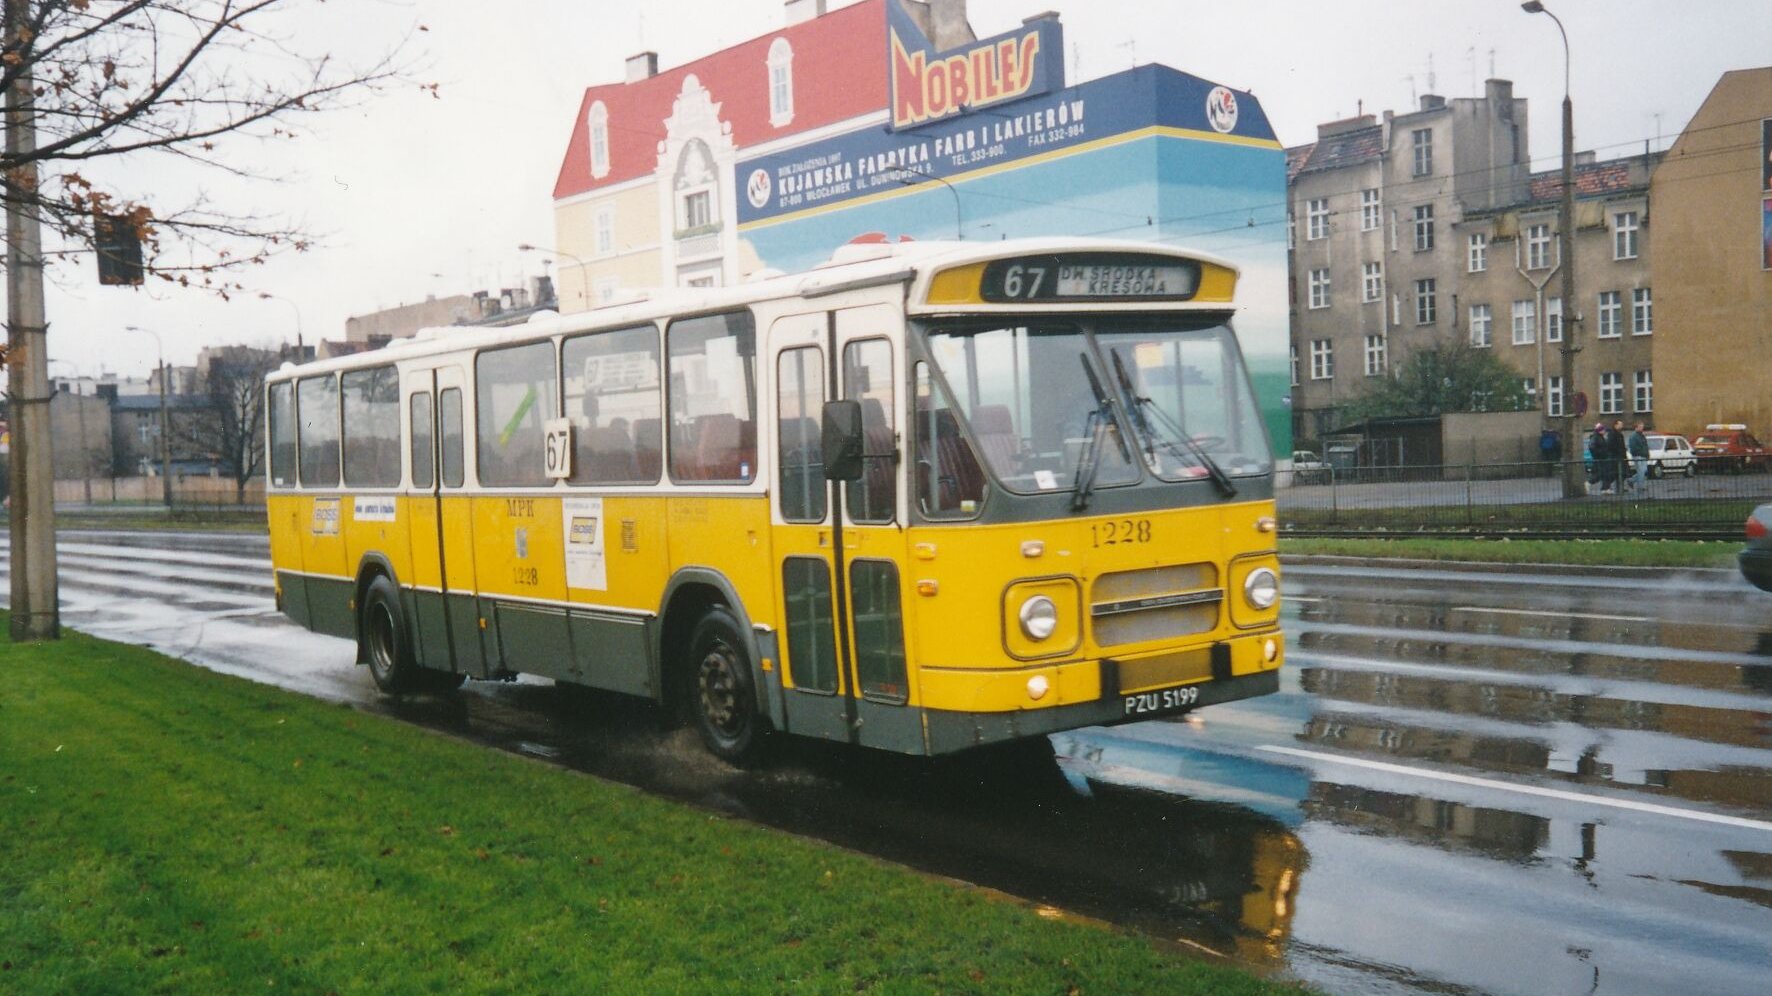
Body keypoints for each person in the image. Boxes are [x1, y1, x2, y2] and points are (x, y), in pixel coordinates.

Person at [1590, 421, 1612, 493]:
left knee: (1606, 473)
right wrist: (1600, 453)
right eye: (1603, 430)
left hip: (1604, 457)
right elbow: (1592, 447)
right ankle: (1590, 483)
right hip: (1600, 458)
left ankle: (1605, 488)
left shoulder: (1601, 437)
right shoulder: (1595, 437)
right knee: (1600, 474)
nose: (1604, 431)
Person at [1628, 421, 1651, 492]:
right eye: (1640, 427)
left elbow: (1645, 446)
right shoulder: (1633, 436)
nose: (1642, 428)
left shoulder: (1641, 435)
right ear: (1636, 427)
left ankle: (1631, 480)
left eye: (1642, 427)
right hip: (1638, 456)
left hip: (1643, 455)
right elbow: (1634, 447)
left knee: (1643, 471)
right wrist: (1642, 452)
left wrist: (1647, 454)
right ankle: (1640, 487)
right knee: (1641, 471)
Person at [1611, 419, 1630, 493]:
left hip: (1621, 457)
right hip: (1617, 457)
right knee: (1618, 474)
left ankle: (1620, 488)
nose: (1622, 426)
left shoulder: (1620, 434)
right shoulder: (1612, 434)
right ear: (1615, 425)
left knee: (1622, 474)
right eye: (1620, 424)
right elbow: (1612, 445)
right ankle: (1618, 490)